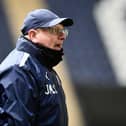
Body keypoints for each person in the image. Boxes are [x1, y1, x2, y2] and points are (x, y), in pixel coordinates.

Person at [0, 9, 73, 126]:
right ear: (33, 35)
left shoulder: (45, 67)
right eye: (55, 30)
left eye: (63, 31)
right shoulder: (20, 69)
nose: (62, 36)